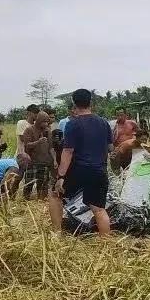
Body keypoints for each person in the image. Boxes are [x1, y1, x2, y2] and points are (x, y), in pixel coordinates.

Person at [51, 89, 113, 235]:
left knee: (55, 195)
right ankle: (107, 245)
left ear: (74, 103)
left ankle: (56, 234)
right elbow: (111, 148)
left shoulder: (73, 123)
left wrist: (60, 177)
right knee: (98, 208)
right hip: (99, 170)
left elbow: (68, 151)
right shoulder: (104, 123)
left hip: (79, 170)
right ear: (90, 102)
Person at [21, 111, 55, 198]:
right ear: (38, 121)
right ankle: (25, 202)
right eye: (44, 122)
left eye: (47, 122)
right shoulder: (29, 130)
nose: (46, 124)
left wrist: (54, 160)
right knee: (29, 184)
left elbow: (51, 148)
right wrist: (38, 142)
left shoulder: (48, 131)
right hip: (32, 162)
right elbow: (27, 145)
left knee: (43, 185)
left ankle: (41, 202)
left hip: (44, 162)